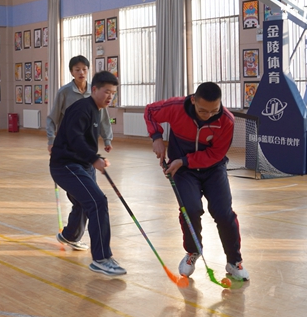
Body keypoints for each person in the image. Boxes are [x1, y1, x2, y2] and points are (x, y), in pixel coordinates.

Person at [144, 82, 249, 282]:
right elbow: (150, 111)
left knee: (223, 213)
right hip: (183, 171)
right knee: (190, 210)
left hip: (213, 169)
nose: (207, 115)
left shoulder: (226, 120)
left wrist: (184, 160)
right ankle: (193, 251)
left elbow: (216, 154)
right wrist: (156, 137)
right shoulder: (176, 107)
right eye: (202, 110)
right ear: (193, 100)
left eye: (213, 110)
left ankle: (234, 261)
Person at [50, 71, 124, 276]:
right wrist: (94, 159)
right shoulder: (82, 109)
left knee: (85, 201)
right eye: (106, 92)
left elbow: (83, 141)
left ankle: (70, 236)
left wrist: (93, 159)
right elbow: (75, 140)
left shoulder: (96, 110)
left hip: (82, 164)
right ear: (94, 90)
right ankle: (101, 258)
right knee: (98, 201)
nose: (110, 96)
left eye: (113, 93)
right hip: (66, 165)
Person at [45, 55, 114, 250]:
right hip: (68, 150)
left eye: (84, 69)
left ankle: (71, 235)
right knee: (83, 197)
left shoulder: (96, 92)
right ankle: (77, 238)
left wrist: (107, 139)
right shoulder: (65, 92)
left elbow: (104, 117)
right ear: (71, 72)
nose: (81, 72)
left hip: (87, 152)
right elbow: (53, 117)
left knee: (85, 198)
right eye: (77, 70)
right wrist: (51, 140)